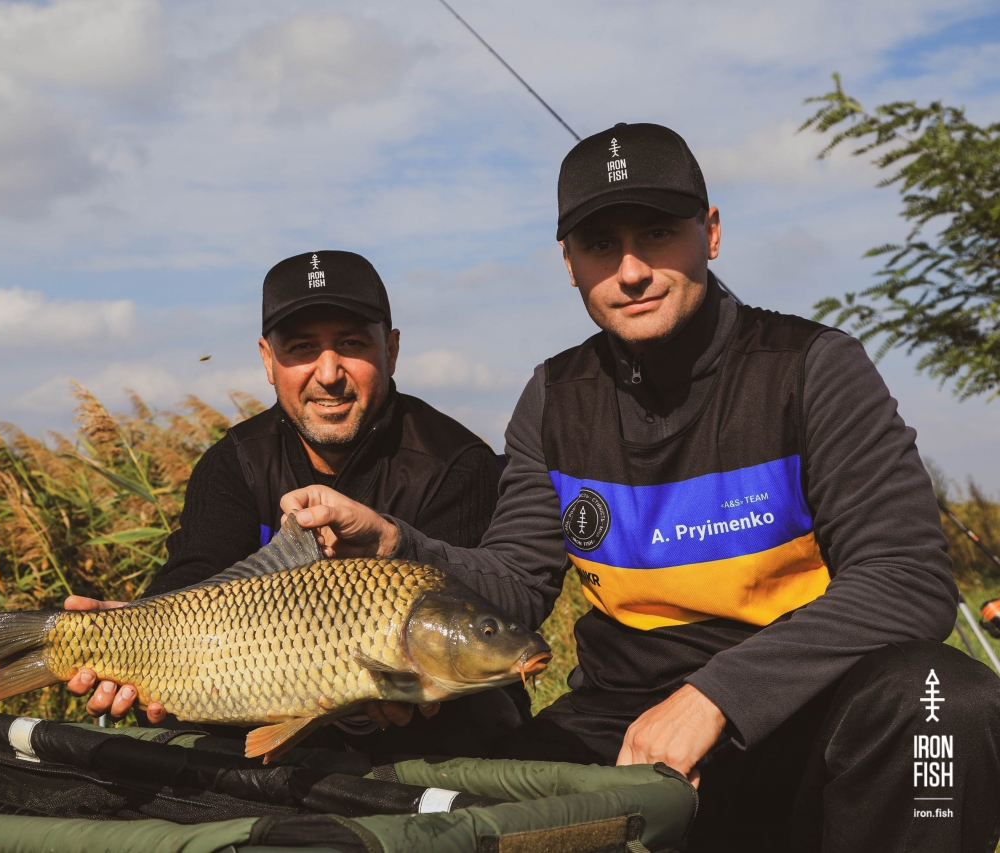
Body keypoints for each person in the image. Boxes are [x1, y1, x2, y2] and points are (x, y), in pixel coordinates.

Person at [280, 124, 1000, 851]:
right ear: (569, 263)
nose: (631, 271)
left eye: (657, 234)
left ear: (710, 232)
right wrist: (398, 545)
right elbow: (517, 582)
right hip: (619, 723)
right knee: (457, 809)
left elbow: (907, 579)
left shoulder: (813, 367)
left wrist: (717, 697)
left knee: (946, 704)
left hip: (801, 706)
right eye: (601, 245)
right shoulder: (554, 395)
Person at [67, 250, 525, 754]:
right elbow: (193, 576)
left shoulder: (454, 462)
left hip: (415, 731)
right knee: (170, 713)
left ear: (391, 350)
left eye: (351, 344)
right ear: (268, 359)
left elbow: (468, 606)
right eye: (303, 348)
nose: (328, 373)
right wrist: (131, 629)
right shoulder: (234, 462)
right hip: (256, 693)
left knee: (482, 712)